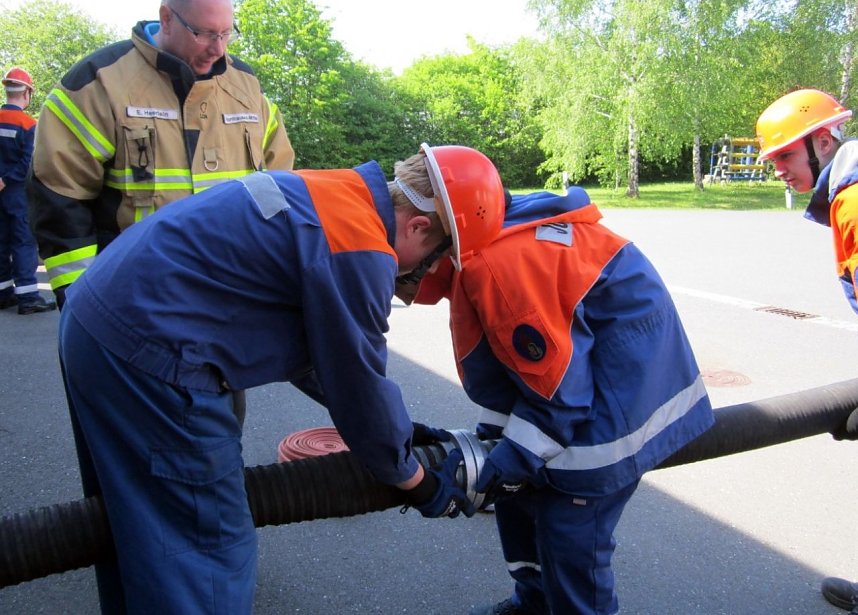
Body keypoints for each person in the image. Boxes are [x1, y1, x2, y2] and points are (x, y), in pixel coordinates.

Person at [56, 143, 505, 613]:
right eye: (433, 258)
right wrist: (417, 481)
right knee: (206, 548)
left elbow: (323, 356)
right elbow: (356, 380)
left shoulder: (335, 190)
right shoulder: (361, 247)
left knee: (137, 526)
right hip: (150, 355)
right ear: (417, 227)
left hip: (100, 322)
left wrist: (400, 431)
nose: (422, 272)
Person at [400, 185, 715, 615]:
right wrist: (491, 445)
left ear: (431, 239)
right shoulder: (487, 240)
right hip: (592, 381)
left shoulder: (498, 266)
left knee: (569, 532)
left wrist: (508, 461)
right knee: (517, 503)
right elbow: (520, 374)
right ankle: (533, 604)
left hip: (615, 404)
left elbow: (560, 397)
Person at [28, 0, 295, 310]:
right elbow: (59, 198)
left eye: (226, 33)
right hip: (135, 299)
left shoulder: (246, 87)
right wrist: (82, 303)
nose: (218, 49)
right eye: (204, 33)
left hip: (236, 295)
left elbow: (278, 187)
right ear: (166, 18)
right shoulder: (99, 83)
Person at [756, 88, 858, 613]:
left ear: (823, 141)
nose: (779, 170)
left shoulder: (854, 202)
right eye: (773, 160)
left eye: (786, 155)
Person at [0, 67, 56, 315]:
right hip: (17, 192)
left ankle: (3, 293)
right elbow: (28, 162)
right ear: (27, 93)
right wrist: (7, 180)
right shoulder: (28, 124)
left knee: (1, 240)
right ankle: (28, 297)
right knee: (23, 241)